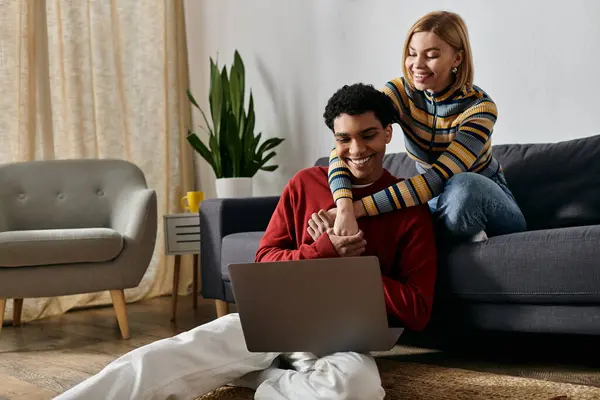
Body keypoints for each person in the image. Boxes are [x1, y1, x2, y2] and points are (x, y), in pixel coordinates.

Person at [54, 83, 437, 400]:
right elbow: (265, 260)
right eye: (344, 139)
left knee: (356, 388)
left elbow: (417, 309)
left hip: (343, 338)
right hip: (273, 318)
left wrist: (354, 265)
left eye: (368, 135)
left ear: (388, 132)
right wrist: (319, 250)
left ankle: (263, 379)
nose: (356, 150)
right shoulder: (306, 183)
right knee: (164, 357)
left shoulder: (410, 209)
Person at [326, 11, 526, 242]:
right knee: (396, 212)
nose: (417, 65)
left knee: (462, 186)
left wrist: (357, 209)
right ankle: (455, 236)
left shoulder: (480, 108)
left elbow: (438, 178)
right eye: (412, 54)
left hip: (483, 197)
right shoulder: (400, 93)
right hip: (434, 200)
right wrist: (343, 207)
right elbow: (346, 142)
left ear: (457, 59)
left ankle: (450, 231)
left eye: (431, 55)